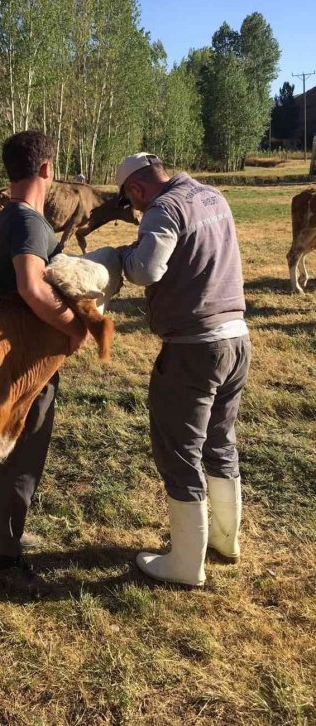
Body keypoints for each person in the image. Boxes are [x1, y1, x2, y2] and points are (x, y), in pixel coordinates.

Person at [116, 152, 250, 587]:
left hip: (193, 349)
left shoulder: (163, 208)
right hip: (236, 339)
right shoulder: (212, 196)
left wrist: (122, 255)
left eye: (132, 202)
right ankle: (227, 541)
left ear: (136, 189)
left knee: (180, 451)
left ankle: (186, 563)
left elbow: (146, 268)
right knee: (220, 440)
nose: (136, 211)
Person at [0, 131, 90, 588]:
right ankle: (4, 556)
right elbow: (30, 285)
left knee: (3, 452)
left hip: (4, 354)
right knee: (23, 452)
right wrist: (75, 327)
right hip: (28, 362)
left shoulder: (9, 214)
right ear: (47, 169)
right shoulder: (29, 222)